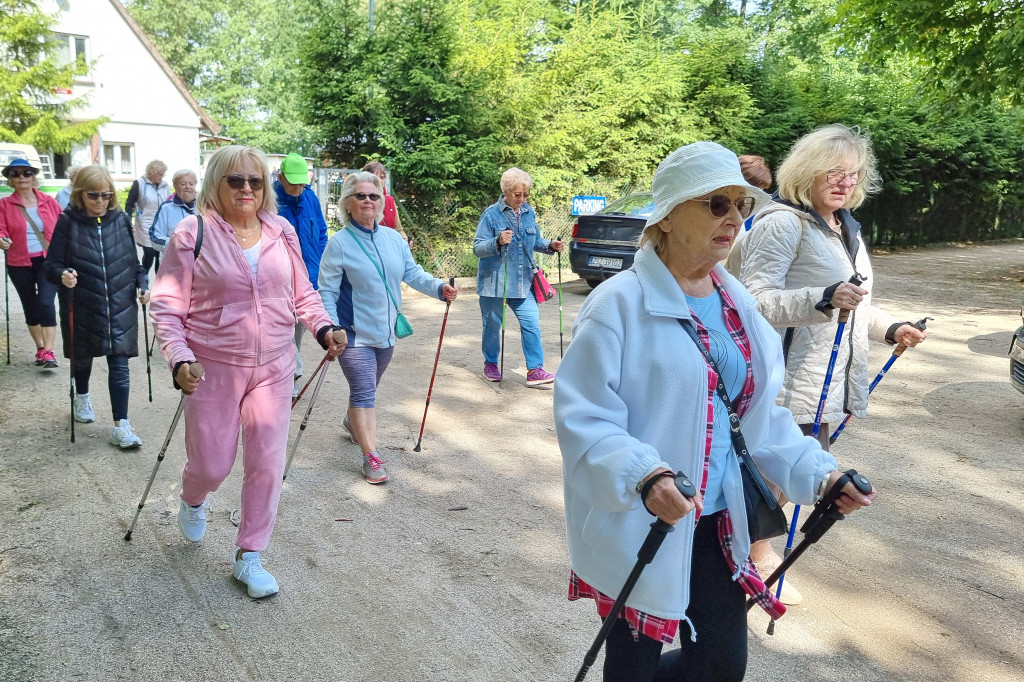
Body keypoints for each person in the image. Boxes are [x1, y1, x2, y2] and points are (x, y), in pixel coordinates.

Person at [554, 142, 877, 682]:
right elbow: (583, 417)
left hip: (721, 516)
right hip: (647, 519)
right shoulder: (616, 304)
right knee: (633, 667)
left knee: (721, 663)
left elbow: (758, 419)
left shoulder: (738, 303)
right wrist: (644, 474)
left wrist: (820, 472)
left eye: (740, 206)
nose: (733, 219)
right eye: (716, 205)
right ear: (668, 216)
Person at [737, 124, 926, 603]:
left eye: (854, 174)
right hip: (789, 378)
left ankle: (744, 552)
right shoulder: (783, 222)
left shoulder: (846, 228)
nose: (845, 183)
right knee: (783, 471)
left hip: (827, 378)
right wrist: (821, 298)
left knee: (791, 471)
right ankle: (751, 557)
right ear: (807, 173)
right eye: (834, 173)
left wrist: (891, 328)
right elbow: (751, 300)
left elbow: (855, 302)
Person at [149, 145, 347, 599]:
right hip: (212, 367)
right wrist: (179, 359)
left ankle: (250, 555)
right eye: (235, 180)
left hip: (275, 365)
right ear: (216, 184)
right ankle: (193, 497)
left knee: (267, 463)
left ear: (266, 188)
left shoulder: (281, 230)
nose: (246, 188)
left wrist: (324, 328)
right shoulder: (191, 232)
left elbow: (304, 294)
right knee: (213, 464)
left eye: (255, 181)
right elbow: (167, 307)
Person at [318, 171, 457, 485]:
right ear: (348, 203)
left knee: (366, 389)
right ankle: (371, 456)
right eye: (361, 196)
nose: (368, 201)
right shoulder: (338, 243)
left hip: (387, 332)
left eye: (374, 196)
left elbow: (412, 272)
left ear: (382, 202)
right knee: (365, 392)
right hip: (352, 333)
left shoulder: (393, 239)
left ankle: (352, 423)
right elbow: (326, 290)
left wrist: (438, 288)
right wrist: (330, 327)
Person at [44, 166, 149, 448]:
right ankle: (83, 396)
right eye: (93, 195)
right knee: (83, 357)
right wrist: (62, 274)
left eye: (106, 195)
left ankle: (122, 426)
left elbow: (135, 264)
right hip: (82, 302)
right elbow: (51, 265)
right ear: (80, 194)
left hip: (120, 303)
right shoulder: (68, 221)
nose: (100, 201)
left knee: (120, 363)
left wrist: (143, 284)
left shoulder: (120, 220)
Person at [473, 167, 564, 386]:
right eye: (517, 195)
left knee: (532, 323)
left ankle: (535, 370)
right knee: (492, 326)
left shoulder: (528, 212)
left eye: (525, 195)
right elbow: (477, 248)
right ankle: (491, 364)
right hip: (495, 283)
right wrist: (497, 241)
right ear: (506, 192)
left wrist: (550, 245)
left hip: (522, 282)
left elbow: (533, 242)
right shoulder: (490, 214)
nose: (522, 199)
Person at [274, 153, 329, 397]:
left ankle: (289, 374)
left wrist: (319, 259)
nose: (298, 188)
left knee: (297, 330)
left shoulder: (310, 197)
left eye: (302, 183)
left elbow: (321, 231)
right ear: (280, 177)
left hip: (309, 276)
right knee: (282, 326)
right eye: (293, 182)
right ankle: (292, 372)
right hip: (279, 278)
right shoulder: (270, 200)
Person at [0, 158, 62, 368]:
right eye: (15, 174)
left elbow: (63, 227)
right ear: (10, 179)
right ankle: (40, 347)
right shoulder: (5, 205)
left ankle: (49, 352)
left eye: (26, 173)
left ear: (33, 176)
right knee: (31, 305)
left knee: (46, 302)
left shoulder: (49, 201)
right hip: (19, 263)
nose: (21, 177)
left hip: (48, 261)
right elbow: (1, 230)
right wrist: (2, 240)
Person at [124, 159, 170, 275]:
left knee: (160, 255)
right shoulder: (139, 184)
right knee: (149, 254)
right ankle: (143, 280)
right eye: (160, 174)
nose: (162, 177)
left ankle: (159, 284)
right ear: (152, 173)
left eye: (163, 174)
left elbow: (168, 203)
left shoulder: (165, 186)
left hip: (161, 224)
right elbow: (129, 204)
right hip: (145, 224)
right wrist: (128, 221)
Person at [149, 169, 198, 253]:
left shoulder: (204, 207)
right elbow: (155, 237)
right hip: (173, 261)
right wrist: (176, 243)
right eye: (183, 184)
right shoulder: (166, 208)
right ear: (175, 186)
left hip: (199, 263)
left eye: (191, 184)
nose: (188, 187)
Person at [362, 161, 409, 241]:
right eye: (375, 177)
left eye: (382, 177)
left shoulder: (390, 201)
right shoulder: (361, 201)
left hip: (389, 247)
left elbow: (399, 229)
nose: (380, 181)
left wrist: (404, 239)